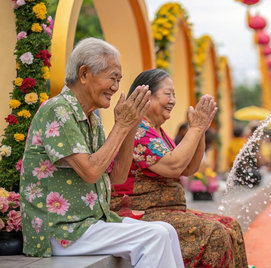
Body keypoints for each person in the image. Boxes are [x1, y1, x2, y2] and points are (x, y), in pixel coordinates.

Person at [20, 38, 184, 267]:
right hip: (60, 231)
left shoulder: (92, 119)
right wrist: (122, 126)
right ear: (85, 74)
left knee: (166, 230)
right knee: (154, 237)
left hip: (88, 224)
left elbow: (116, 177)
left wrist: (130, 128)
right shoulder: (58, 110)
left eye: (119, 80)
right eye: (112, 78)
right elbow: (90, 172)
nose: (116, 87)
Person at [110, 69, 248, 268]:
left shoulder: (156, 131)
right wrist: (196, 128)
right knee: (215, 233)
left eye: (174, 94)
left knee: (231, 225)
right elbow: (174, 166)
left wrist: (199, 130)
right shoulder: (138, 129)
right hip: (140, 213)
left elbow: (189, 168)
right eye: (168, 94)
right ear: (147, 96)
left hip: (166, 210)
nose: (173, 100)